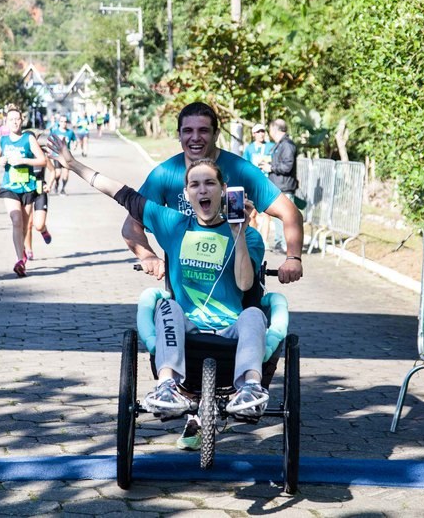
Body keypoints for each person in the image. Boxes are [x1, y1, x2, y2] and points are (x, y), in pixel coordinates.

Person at [49, 134, 271, 451]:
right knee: (166, 307)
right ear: (186, 194)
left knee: (253, 314)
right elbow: (122, 194)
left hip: (232, 331)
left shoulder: (247, 236)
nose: (203, 190)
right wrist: (73, 165)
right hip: (186, 328)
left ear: (223, 191)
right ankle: (168, 386)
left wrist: (237, 234)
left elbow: (247, 285)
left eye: (210, 183)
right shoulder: (173, 224)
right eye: (195, 185)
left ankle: (249, 389)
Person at [121, 102, 303, 285]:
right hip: (185, 283)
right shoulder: (164, 174)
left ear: (216, 134)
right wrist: (148, 256)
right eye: (188, 131)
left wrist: (293, 259)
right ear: (179, 135)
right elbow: (131, 226)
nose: (195, 137)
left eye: (203, 131)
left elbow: (290, 213)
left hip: (238, 279)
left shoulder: (241, 170)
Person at [0, 108, 47, 277]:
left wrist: (23, 160)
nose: (15, 122)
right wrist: (0, 161)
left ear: (22, 121)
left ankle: (22, 254)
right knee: (16, 220)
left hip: (28, 186)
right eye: (11, 119)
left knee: (24, 225)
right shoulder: (3, 139)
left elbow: (42, 160)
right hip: (9, 186)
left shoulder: (28, 139)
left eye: (17, 119)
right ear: (6, 122)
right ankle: (19, 261)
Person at [23, 132, 57, 261]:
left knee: (38, 225)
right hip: (25, 190)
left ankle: (43, 230)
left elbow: (52, 170)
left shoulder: (41, 156)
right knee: (28, 223)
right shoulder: (22, 157)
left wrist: (49, 185)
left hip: (39, 190)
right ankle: (29, 250)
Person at [266, 119, 298, 253]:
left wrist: (271, 167)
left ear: (274, 129)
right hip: (278, 186)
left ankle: (286, 245)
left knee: (287, 218)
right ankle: (280, 243)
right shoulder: (279, 144)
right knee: (279, 218)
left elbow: (287, 166)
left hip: (285, 187)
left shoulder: (287, 145)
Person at [242, 123, 275, 232]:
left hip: (267, 183)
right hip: (252, 185)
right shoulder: (249, 149)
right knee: (252, 214)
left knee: (266, 215)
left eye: (262, 131)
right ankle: (255, 237)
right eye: (258, 132)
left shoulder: (271, 146)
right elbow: (244, 165)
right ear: (253, 134)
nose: (261, 134)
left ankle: (265, 242)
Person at [49, 115, 76, 195]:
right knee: (58, 173)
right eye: (62, 121)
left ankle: (63, 189)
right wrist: (50, 150)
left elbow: (74, 140)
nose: (64, 123)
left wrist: (74, 145)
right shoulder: (55, 131)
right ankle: (56, 183)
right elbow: (50, 140)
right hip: (57, 155)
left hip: (66, 156)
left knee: (66, 174)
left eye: (65, 121)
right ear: (59, 122)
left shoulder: (70, 132)